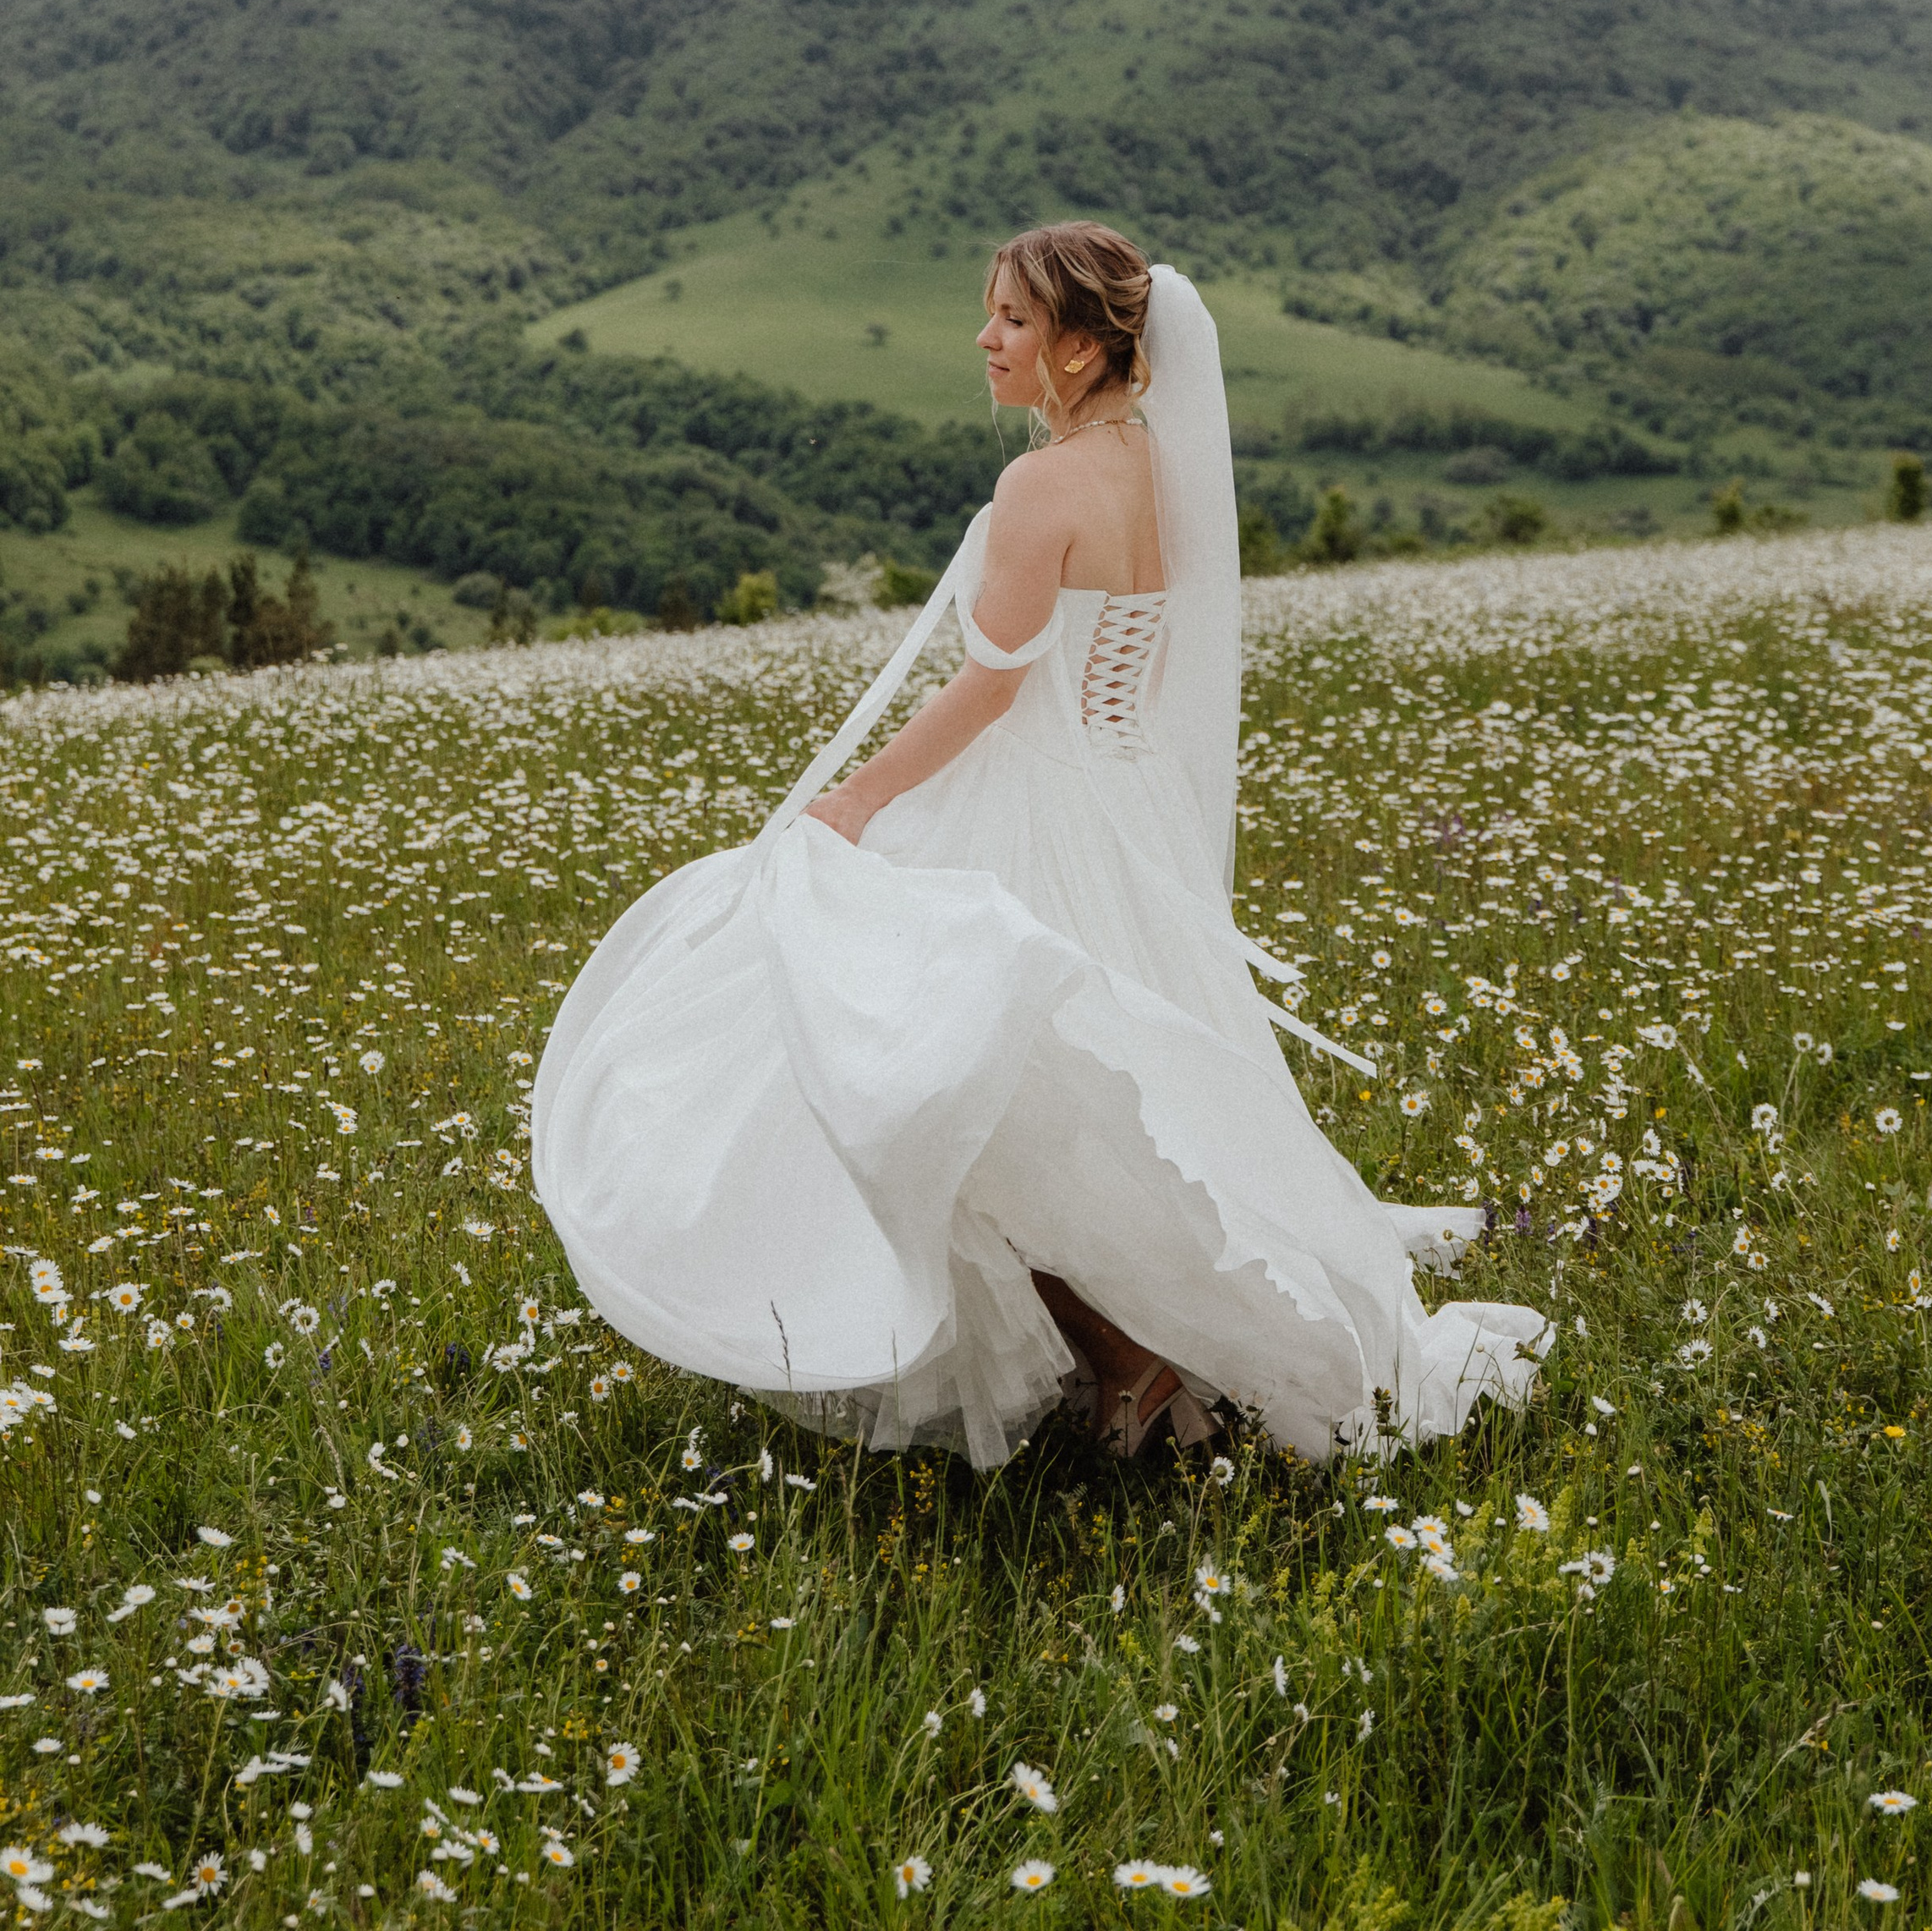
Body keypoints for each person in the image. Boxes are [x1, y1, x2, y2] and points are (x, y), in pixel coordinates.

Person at [531, 222, 1550, 1467]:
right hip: (1127, 814)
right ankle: (1132, 1356)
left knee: (958, 1092)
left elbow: (990, 688)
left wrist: (852, 802)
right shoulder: (1156, 468)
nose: (986, 339)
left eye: (1012, 321)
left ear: (1080, 346)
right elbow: (1139, 667)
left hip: (1035, 808)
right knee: (1085, 1107)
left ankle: (1128, 1358)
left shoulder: (1041, 486)